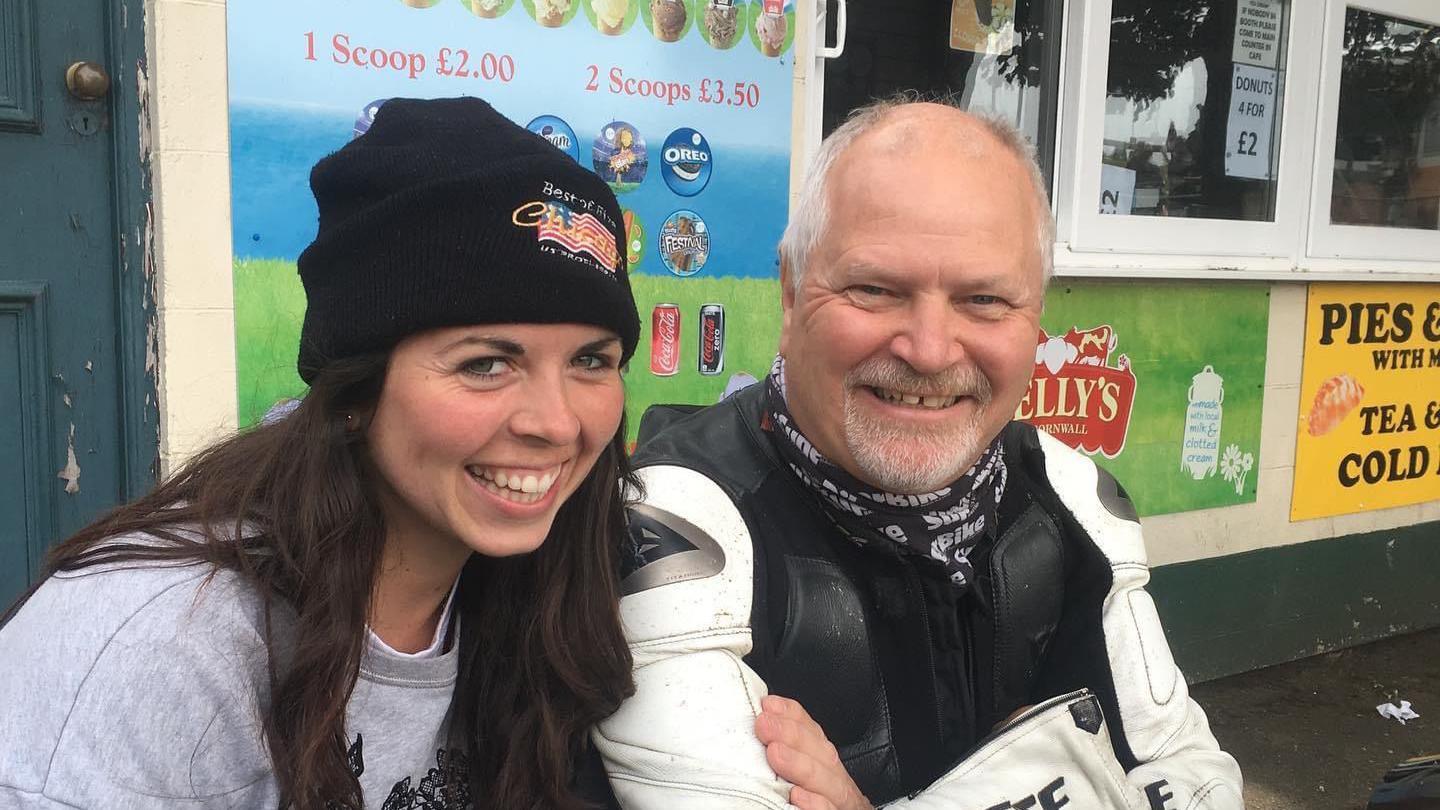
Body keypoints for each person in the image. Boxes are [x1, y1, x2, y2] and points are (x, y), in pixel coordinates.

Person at [594, 98, 1244, 809]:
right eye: (875, 289)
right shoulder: (671, 532)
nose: (930, 351)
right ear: (788, 293)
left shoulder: (1069, 498)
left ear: (1036, 315)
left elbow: (1197, 782)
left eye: (985, 300)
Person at [0, 97, 641, 810]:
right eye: (486, 364)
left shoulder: (552, 581)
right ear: (355, 390)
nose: (557, 424)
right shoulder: (158, 651)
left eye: (592, 359)